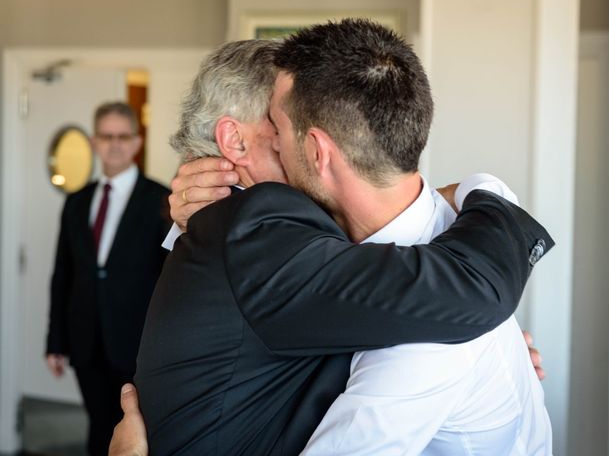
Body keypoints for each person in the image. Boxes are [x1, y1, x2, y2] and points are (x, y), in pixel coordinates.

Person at [117, 24, 551, 455]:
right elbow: (467, 289)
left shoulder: (250, 228)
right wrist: (486, 192)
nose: (304, 140)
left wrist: (493, 358)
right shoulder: (255, 226)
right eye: (285, 122)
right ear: (234, 139)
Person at [46, 102, 171, 456]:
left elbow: (170, 278)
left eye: (123, 136)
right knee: (97, 427)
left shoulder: (161, 199)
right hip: (85, 339)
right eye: (106, 136)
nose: (114, 144)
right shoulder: (76, 201)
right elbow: (62, 274)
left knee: (136, 434)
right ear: (94, 141)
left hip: (137, 343)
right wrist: (55, 341)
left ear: (136, 142)